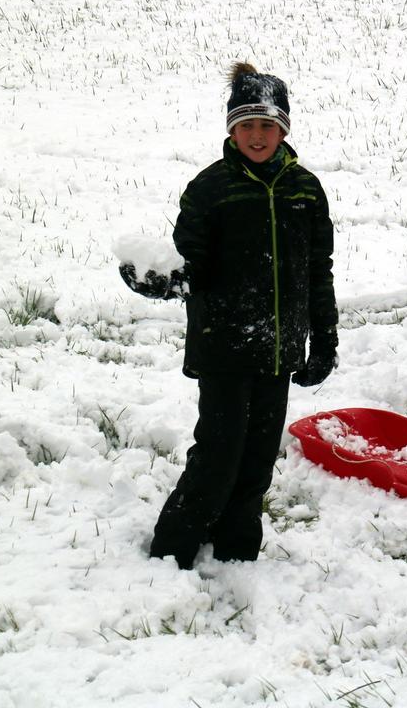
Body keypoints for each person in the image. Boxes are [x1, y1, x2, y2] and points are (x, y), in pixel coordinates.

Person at [146, 62, 338, 569]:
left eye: (267, 125)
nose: (257, 136)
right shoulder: (210, 188)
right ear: (232, 129)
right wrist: (163, 281)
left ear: (283, 130)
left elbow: (318, 269)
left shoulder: (305, 189)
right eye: (247, 125)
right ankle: (173, 551)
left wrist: (324, 340)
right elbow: (191, 264)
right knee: (218, 456)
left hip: (280, 347)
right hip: (224, 344)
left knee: (256, 462)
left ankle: (236, 552)